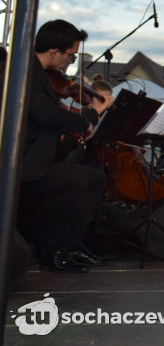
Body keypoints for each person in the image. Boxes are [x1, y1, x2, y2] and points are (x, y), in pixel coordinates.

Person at [21, 19, 113, 271]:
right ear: (54, 52)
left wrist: (89, 117)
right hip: (22, 164)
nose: (70, 63)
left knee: (95, 178)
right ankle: (50, 250)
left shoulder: (39, 74)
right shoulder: (24, 73)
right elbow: (48, 115)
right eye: (71, 56)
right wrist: (88, 119)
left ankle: (72, 245)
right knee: (75, 181)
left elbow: (54, 118)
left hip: (38, 158)